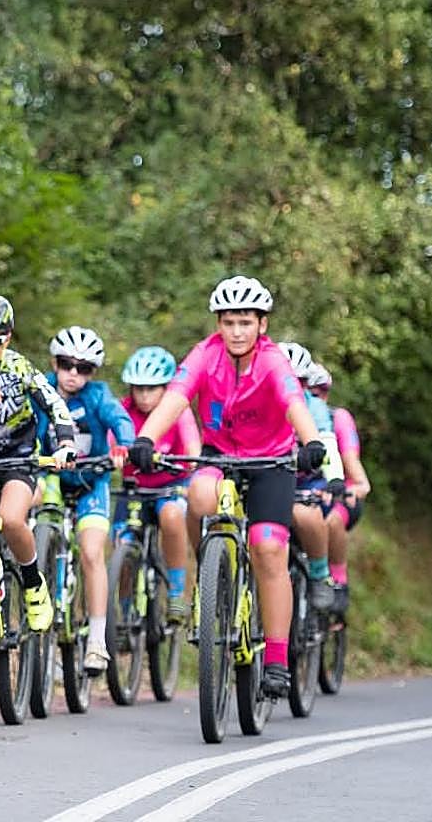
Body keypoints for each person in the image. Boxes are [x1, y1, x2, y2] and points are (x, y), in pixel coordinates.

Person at [128, 275, 326, 698]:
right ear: (218, 324)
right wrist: (145, 438)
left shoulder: (273, 361)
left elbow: (294, 403)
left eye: (245, 323)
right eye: (229, 322)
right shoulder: (205, 354)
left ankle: (275, 660)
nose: (237, 331)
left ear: (262, 325)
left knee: (269, 547)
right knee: (197, 495)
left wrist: (310, 442)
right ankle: (212, 574)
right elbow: (176, 398)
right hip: (219, 454)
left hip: (271, 461)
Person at [0, 292, 78, 631]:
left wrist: (65, 443)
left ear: (8, 338)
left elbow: (54, 403)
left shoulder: (19, 368)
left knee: (10, 518)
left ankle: (33, 583)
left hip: (18, 458)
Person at [35, 326, 133, 674]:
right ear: (54, 363)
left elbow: (120, 418)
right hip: (52, 477)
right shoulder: (41, 388)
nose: (73, 374)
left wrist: (124, 444)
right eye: (66, 364)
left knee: (91, 552)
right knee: (30, 513)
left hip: (92, 481)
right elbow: (26, 425)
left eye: (84, 368)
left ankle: (96, 641)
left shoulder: (98, 395)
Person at [114, 346, 201, 624]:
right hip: (134, 489)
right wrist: (113, 453)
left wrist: (189, 461)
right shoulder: (122, 409)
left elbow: (193, 449)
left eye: (151, 389)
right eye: (138, 389)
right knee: (122, 543)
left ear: (166, 389)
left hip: (170, 487)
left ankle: (176, 593)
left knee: (172, 516)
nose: (144, 396)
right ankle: (125, 613)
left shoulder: (178, 411)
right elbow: (110, 440)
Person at [279, 341, 342, 611]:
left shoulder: (313, 407)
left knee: (304, 515)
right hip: (267, 480)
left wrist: (336, 476)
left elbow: (327, 442)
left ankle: (319, 574)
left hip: (307, 484)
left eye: (299, 381)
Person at [308, 363, 371, 614]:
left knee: (332, 521)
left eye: (321, 391)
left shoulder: (338, 419)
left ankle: (338, 581)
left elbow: (358, 477)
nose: (315, 397)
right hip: (305, 496)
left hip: (339, 497)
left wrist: (349, 491)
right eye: (309, 391)